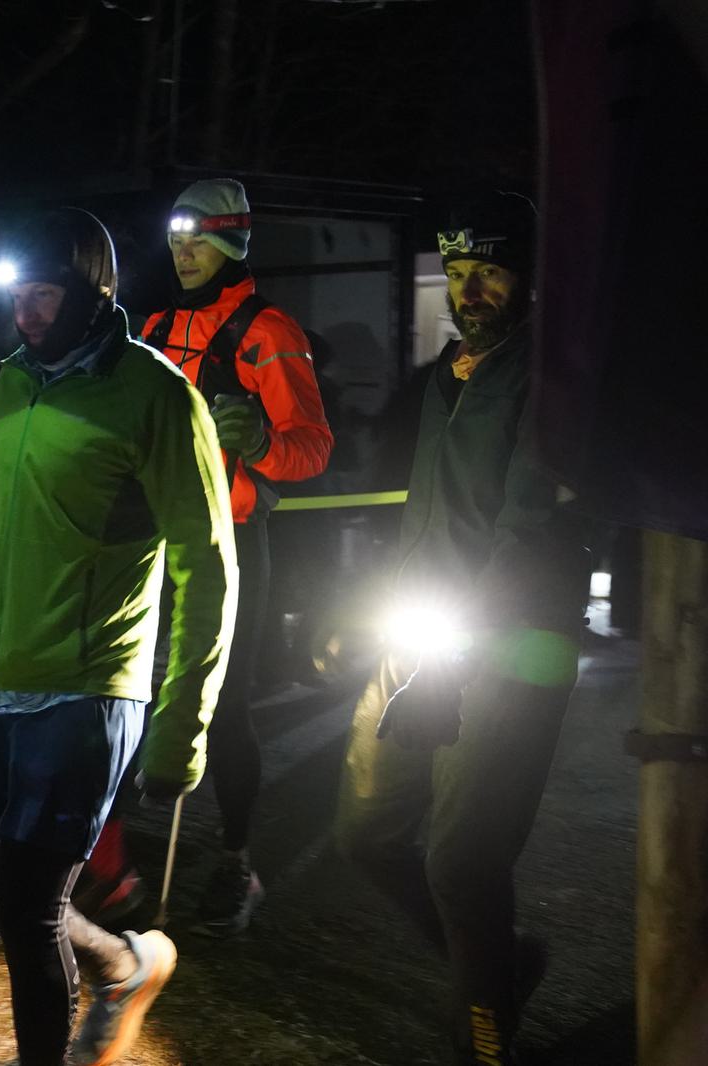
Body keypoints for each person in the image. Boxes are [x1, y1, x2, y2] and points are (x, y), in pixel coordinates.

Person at [0, 208, 236, 1066]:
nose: (27, 311)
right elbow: (0, 533)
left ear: (93, 293)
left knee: (29, 908)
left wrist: (182, 728)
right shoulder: (16, 380)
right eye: (18, 293)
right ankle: (124, 967)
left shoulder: (157, 396)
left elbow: (209, 565)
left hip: (88, 688)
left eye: (45, 292)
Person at [332, 194, 588, 1066]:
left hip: (509, 650)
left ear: (529, 275)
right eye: (458, 272)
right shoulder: (450, 372)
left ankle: (484, 1042)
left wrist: (460, 645)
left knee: (462, 861)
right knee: (365, 833)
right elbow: (425, 513)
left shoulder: (547, 379)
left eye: (490, 271)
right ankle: (496, 968)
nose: (469, 289)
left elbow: (527, 531)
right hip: (418, 634)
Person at [95, 177, 332, 936]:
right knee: (127, 692)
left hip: (228, 544)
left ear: (233, 241)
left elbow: (313, 449)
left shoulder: (268, 332)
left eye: (199, 238)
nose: (184, 252)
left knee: (223, 710)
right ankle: (111, 860)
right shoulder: (154, 324)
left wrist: (262, 442)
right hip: (151, 539)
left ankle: (236, 862)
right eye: (175, 239)